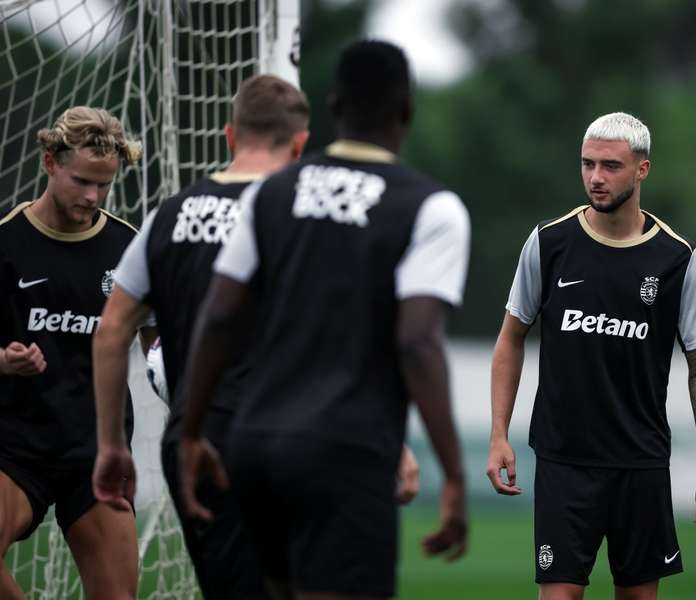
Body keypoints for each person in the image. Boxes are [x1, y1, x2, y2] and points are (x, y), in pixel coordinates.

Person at [177, 40, 471, 600]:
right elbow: (416, 341)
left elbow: (217, 317)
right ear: (407, 109)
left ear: (334, 105)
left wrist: (191, 432)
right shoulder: (430, 208)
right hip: (345, 451)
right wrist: (453, 473)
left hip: (254, 445)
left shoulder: (270, 196)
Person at [487, 112, 696, 600]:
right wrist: (499, 435)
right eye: (588, 164)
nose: (596, 178)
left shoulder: (678, 259)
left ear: (642, 170)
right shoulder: (549, 244)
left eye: (611, 166)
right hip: (563, 459)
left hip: (639, 462)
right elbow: (511, 337)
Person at [90, 74, 309, 599]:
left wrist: (111, 444)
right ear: (300, 144)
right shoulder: (301, 214)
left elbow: (111, 329)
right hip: (289, 440)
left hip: (195, 445)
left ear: (230, 136)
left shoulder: (167, 217)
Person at [0, 106, 149, 600]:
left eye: (104, 185)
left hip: (96, 450)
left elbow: (159, 346)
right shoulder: (7, 243)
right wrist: (3, 361)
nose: (92, 197)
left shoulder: (128, 249)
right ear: (49, 163)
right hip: (14, 446)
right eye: (82, 181)